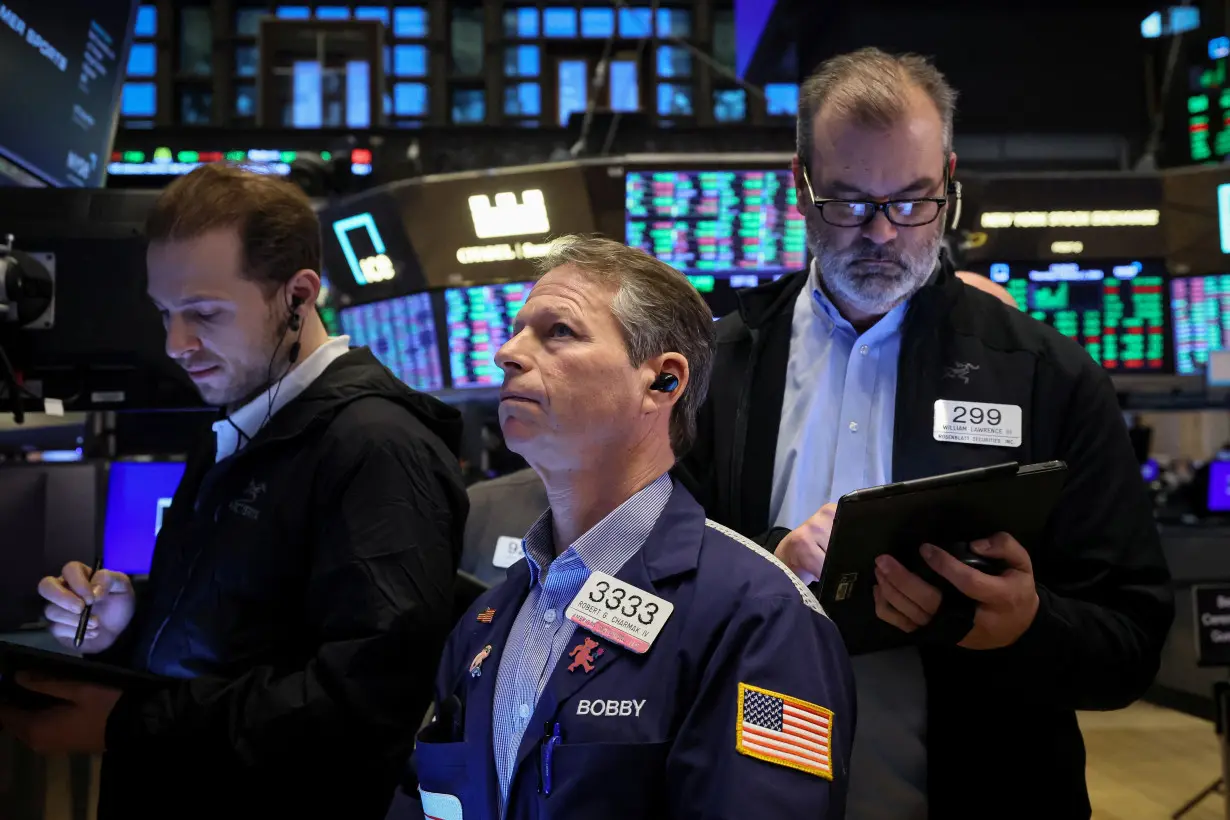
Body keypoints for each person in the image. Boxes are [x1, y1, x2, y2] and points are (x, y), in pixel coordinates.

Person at [678, 48, 1174, 818]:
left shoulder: (1045, 374)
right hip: (746, 791)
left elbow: (1133, 641)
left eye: (913, 202)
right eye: (847, 202)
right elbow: (647, 593)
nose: (882, 234)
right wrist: (766, 572)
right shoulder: (721, 365)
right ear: (797, 186)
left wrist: (1028, 625)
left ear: (949, 178)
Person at [0, 164, 469, 819]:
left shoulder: (378, 447)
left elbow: (361, 707)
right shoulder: (242, 421)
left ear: (298, 296)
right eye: (165, 312)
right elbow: (251, 633)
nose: (175, 344)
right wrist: (129, 619)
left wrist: (132, 722)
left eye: (204, 313)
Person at [412, 235, 855, 819]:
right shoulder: (486, 621)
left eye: (558, 332)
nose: (508, 353)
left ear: (662, 382)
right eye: (518, 330)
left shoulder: (762, 617)